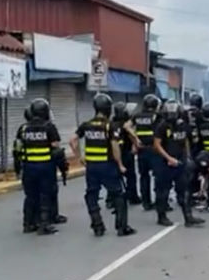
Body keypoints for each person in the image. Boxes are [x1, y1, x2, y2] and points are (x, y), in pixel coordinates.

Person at [70, 93, 136, 237]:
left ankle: (97, 226)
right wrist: (120, 164)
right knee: (119, 195)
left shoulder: (86, 125)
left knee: (91, 195)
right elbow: (115, 146)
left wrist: (79, 157)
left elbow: (72, 140)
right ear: (108, 108)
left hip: (92, 167)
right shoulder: (109, 126)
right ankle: (121, 227)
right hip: (108, 166)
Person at [153, 99, 205, 227]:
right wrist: (168, 158)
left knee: (184, 190)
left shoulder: (183, 125)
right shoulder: (162, 126)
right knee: (163, 191)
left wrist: (187, 157)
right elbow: (157, 145)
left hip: (180, 162)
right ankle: (162, 216)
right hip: (165, 163)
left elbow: (185, 141)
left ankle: (188, 217)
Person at [17, 98, 60, 235]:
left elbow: (18, 148)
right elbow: (55, 146)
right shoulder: (49, 127)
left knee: (30, 196)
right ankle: (44, 224)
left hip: (29, 168)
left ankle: (28, 224)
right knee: (45, 195)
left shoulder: (23, 128)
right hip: (45, 167)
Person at [107, 102, 141, 207]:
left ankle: (111, 200)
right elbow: (133, 137)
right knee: (131, 176)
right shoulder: (127, 124)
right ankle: (133, 197)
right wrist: (135, 145)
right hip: (125, 153)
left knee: (114, 177)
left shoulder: (111, 123)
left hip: (113, 154)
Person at [132, 94, 161, 211]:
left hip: (142, 150)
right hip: (154, 150)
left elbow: (127, 126)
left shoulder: (137, 116)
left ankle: (146, 202)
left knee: (144, 176)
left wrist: (135, 140)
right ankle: (160, 201)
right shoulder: (157, 116)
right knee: (158, 176)